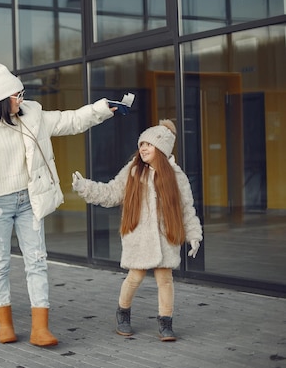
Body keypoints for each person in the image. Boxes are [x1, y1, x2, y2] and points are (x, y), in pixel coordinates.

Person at [0, 62, 116, 346]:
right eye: (17, 96)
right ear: (2, 98)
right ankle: (5, 325)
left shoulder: (32, 118)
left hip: (29, 201)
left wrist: (101, 109)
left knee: (36, 262)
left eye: (23, 94)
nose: (22, 100)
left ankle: (40, 329)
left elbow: (69, 120)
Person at [71, 119, 203, 341]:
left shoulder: (176, 176)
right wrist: (85, 187)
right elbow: (111, 192)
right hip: (139, 237)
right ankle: (123, 312)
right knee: (134, 277)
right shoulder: (132, 171)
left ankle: (166, 322)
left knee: (165, 279)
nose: (142, 148)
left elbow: (186, 208)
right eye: (141, 144)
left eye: (148, 144)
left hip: (165, 237)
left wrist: (194, 235)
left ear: (161, 148)